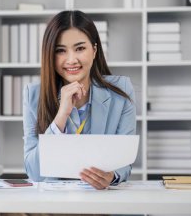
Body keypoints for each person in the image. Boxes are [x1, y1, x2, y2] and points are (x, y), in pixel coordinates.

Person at [22, 10, 136, 189]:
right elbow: (33, 172)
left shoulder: (121, 91)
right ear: (50, 55)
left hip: (100, 198)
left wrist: (111, 176)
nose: (71, 60)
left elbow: (125, 162)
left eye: (80, 48)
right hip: (53, 203)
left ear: (94, 50)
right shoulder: (33, 95)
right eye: (60, 51)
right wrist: (61, 115)